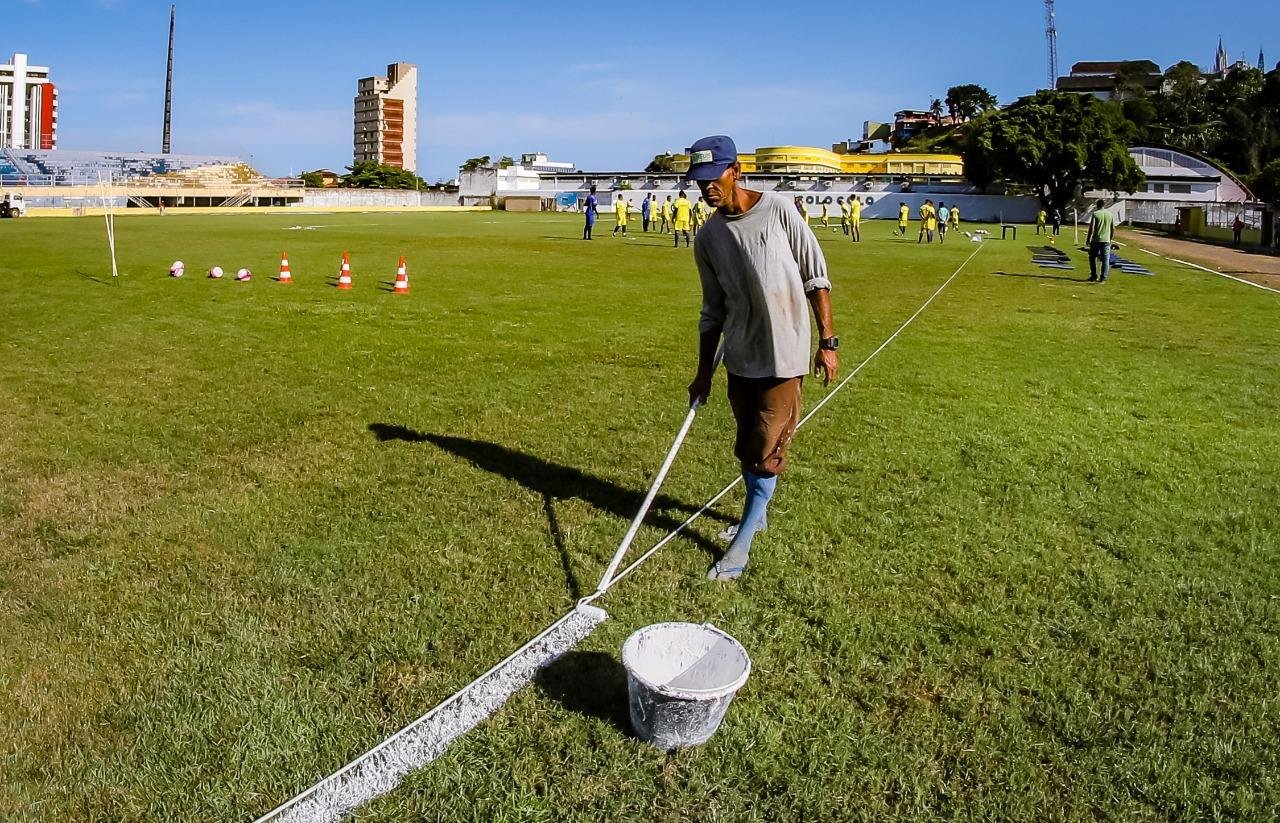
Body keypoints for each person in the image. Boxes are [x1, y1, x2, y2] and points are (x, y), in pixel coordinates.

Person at [684, 135, 839, 582]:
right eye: (700, 181)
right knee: (749, 443)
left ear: (736, 171)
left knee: (766, 447)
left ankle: (741, 547)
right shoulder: (708, 237)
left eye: (715, 177)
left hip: (785, 352)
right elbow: (712, 309)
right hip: (740, 355)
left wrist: (827, 342)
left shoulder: (778, 211)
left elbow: (816, 275)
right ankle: (759, 513)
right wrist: (701, 375)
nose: (708, 188)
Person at [1087, 201, 1116, 284]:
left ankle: (1094, 275)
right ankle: (1103, 278)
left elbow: (1091, 228)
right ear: (1104, 205)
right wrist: (1110, 239)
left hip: (1096, 240)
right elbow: (1113, 228)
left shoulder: (1095, 214)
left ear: (1097, 205)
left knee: (1092, 258)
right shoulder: (1110, 215)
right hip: (1106, 240)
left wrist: (1088, 238)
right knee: (1105, 259)